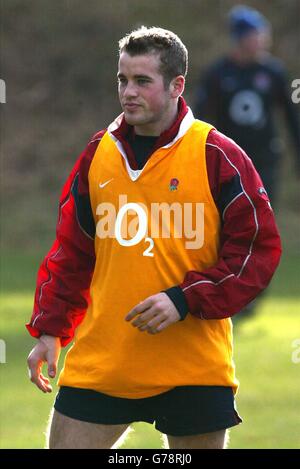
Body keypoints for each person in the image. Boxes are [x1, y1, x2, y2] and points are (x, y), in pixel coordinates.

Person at [26, 26, 281, 449]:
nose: (129, 92)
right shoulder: (97, 153)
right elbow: (72, 252)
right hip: (103, 362)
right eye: (123, 80)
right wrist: (50, 330)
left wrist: (184, 298)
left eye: (142, 81)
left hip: (193, 370)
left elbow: (256, 251)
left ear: (177, 85)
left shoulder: (217, 154)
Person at [194, 5, 300, 206]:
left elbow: (292, 115)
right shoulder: (217, 74)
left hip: (265, 157)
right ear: (241, 39)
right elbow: (200, 116)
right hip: (229, 158)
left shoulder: (274, 72)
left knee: (264, 214)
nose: (263, 39)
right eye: (257, 34)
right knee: (230, 215)